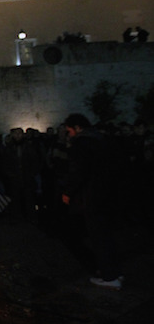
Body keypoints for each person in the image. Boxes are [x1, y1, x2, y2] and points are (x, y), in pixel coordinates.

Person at [62, 113, 123, 290]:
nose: (70, 135)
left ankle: (109, 276)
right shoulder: (102, 140)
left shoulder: (81, 144)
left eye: (70, 131)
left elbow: (78, 172)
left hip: (93, 196)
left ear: (77, 127)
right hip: (108, 195)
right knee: (108, 236)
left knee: (99, 237)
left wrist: (68, 192)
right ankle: (115, 271)